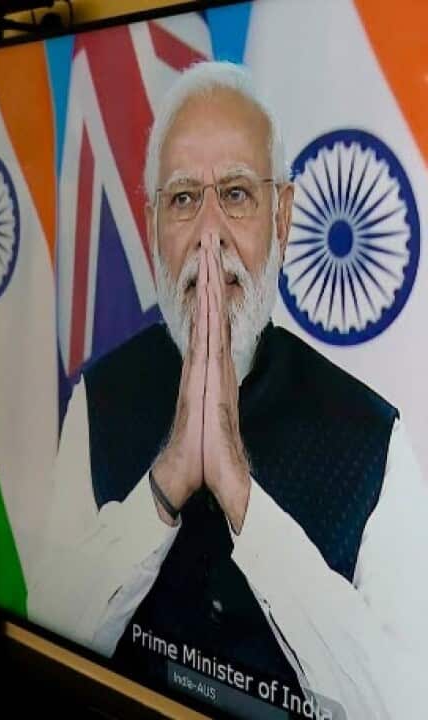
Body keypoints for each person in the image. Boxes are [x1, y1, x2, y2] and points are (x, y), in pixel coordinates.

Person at [26, 61, 428, 719]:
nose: (209, 235)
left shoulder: (374, 438)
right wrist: (167, 482)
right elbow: (48, 626)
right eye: (184, 199)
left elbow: (403, 705)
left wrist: (243, 498)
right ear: (153, 221)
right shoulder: (98, 400)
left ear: (285, 214)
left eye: (237, 193)